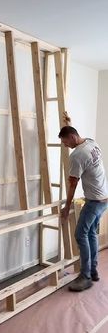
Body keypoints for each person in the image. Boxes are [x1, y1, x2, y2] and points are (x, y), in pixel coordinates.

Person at [59, 113, 108, 292]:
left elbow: (72, 185)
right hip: (104, 197)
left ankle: (85, 276)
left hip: (95, 200)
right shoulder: (90, 142)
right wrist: (69, 124)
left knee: (80, 234)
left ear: (71, 138)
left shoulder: (76, 156)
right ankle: (93, 270)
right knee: (91, 234)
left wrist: (66, 207)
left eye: (65, 142)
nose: (65, 146)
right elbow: (75, 136)